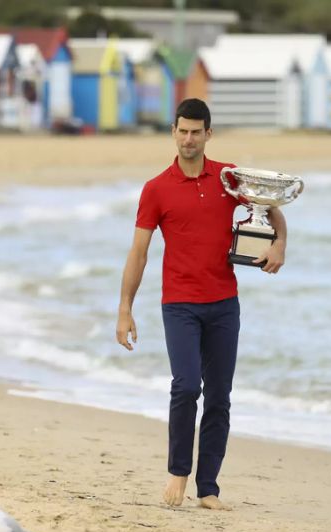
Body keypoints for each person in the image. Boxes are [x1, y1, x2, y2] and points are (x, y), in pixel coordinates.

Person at [115, 99, 288, 510]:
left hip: (224, 303)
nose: (189, 139)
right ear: (173, 133)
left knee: (219, 396)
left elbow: (272, 211)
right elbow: (138, 252)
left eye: (196, 132)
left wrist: (279, 245)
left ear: (208, 134)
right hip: (179, 304)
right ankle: (179, 474)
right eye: (182, 131)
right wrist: (125, 308)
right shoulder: (156, 189)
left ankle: (208, 489)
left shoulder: (230, 178)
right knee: (186, 386)